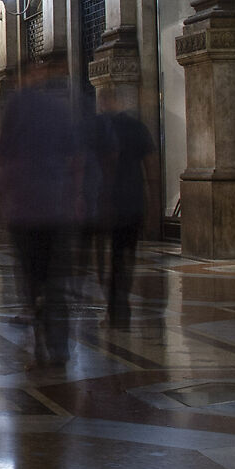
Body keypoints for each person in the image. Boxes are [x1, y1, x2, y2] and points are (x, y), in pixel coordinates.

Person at [0, 58, 81, 367]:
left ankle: (36, 312)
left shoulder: (17, 107)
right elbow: (74, 158)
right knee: (55, 276)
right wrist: (74, 197)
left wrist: (1, 197)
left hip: (24, 208)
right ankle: (58, 344)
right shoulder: (59, 108)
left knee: (30, 272)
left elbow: (3, 157)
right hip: (54, 206)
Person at [82, 95, 158, 327]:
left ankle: (113, 308)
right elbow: (151, 167)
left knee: (104, 258)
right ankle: (120, 306)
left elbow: (83, 163)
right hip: (132, 201)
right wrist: (152, 204)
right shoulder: (138, 128)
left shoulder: (97, 127)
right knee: (124, 257)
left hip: (106, 202)